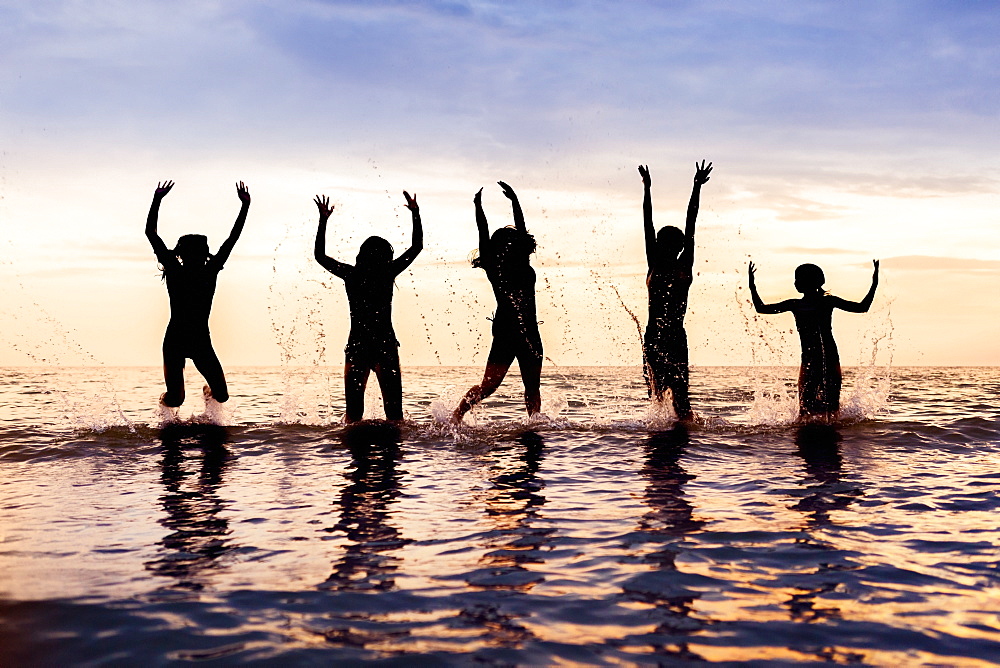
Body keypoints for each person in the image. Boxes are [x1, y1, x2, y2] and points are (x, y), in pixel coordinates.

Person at [313, 191, 422, 423]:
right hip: (385, 346)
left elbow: (320, 256)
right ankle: (392, 455)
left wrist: (323, 221)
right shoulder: (387, 272)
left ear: (361, 255)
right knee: (395, 416)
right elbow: (417, 247)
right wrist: (415, 214)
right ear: (385, 256)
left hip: (358, 346)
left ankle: (356, 456)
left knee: (353, 416)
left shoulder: (352, 275)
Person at [146, 180, 250, 409]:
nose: (197, 256)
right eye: (192, 252)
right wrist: (157, 200)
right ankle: (163, 405)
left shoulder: (210, 270)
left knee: (222, 396)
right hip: (175, 339)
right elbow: (150, 233)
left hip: (201, 339)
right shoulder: (174, 269)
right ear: (183, 254)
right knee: (176, 399)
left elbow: (232, 239)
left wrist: (245, 207)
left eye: (201, 252)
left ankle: (207, 392)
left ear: (205, 254)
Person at [453, 182, 542, 423]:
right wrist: (478, 207)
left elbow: (523, 234)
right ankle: (456, 416)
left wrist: (514, 201)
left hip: (530, 330)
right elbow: (483, 232)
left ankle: (534, 425)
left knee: (532, 387)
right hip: (506, 332)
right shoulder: (495, 268)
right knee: (489, 386)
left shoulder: (522, 262)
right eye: (508, 241)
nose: (513, 244)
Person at [748, 259, 879, 419]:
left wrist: (752, 286)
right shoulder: (820, 302)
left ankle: (810, 437)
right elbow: (862, 307)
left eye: (797, 279)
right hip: (825, 358)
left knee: (806, 409)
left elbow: (761, 308)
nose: (795, 282)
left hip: (815, 359)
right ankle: (829, 436)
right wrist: (874, 284)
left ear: (800, 284)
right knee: (829, 407)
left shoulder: (799, 304)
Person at [639, 161, 712, 422]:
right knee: (656, 396)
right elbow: (647, 220)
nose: (669, 248)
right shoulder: (655, 263)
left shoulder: (683, 264)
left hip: (672, 336)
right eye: (664, 243)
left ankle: (677, 439)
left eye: (674, 244)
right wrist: (647, 189)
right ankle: (665, 445)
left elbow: (691, 221)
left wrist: (696, 187)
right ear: (660, 244)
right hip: (655, 335)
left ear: (680, 246)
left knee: (680, 399)